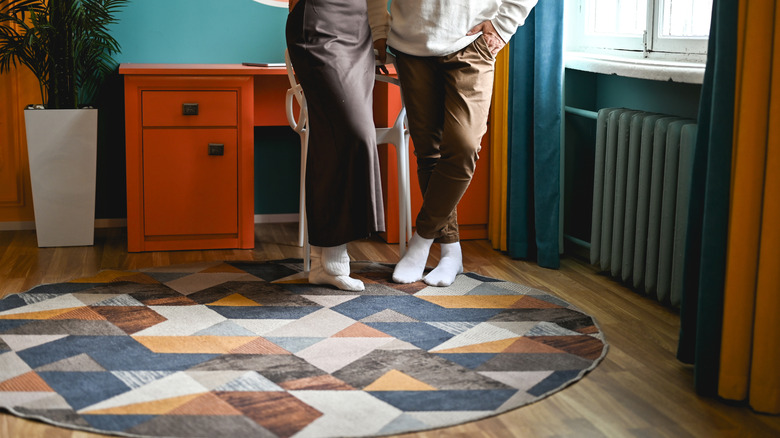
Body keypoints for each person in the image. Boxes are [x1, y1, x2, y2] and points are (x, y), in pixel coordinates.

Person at [367, 0, 538, 287]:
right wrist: (379, 30)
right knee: (428, 153)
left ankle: (420, 242)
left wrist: (503, 25)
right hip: (410, 45)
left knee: (464, 146)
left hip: (472, 42)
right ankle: (450, 252)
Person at [286, 0, 385, 291]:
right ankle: (329, 262)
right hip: (317, 24)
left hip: (359, 29)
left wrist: (381, 36)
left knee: (330, 139)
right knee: (352, 132)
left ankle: (327, 263)